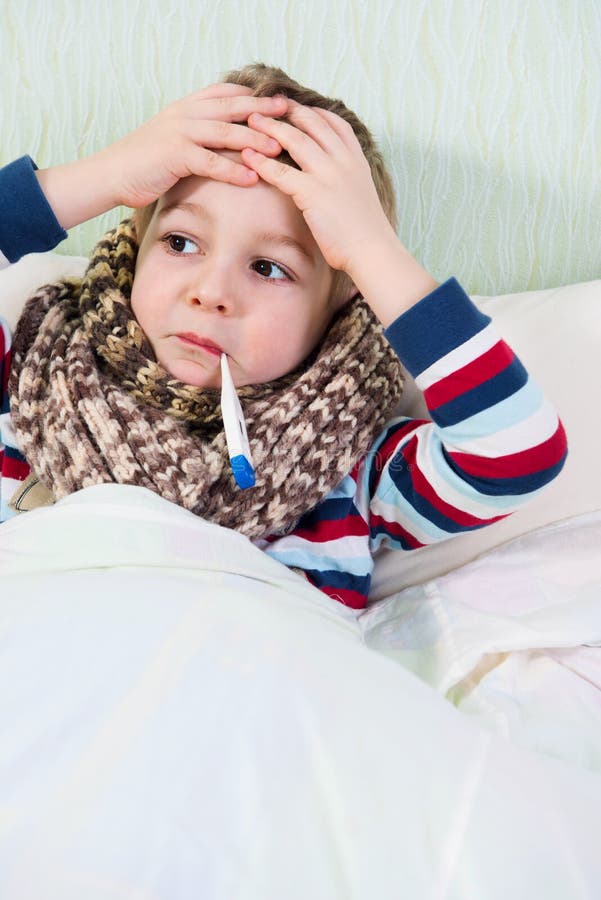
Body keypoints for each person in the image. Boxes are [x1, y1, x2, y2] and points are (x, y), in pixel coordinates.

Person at [0, 64, 567, 609]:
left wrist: (372, 251)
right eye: (179, 242)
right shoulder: (28, 390)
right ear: (138, 247)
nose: (211, 291)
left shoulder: (350, 467)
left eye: (269, 267)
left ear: (341, 304)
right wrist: (99, 176)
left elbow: (516, 455)